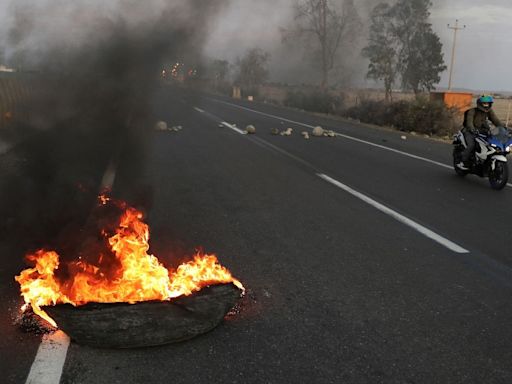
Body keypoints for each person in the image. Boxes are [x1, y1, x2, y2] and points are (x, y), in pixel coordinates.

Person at [457, 95, 504, 170]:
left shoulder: (489, 111)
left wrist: (504, 127)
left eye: (488, 103)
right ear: (480, 103)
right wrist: (472, 129)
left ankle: (484, 159)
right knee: (471, 145)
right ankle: (463, 162)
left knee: (490, 143)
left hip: (483, 131)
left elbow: (496, 120)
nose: (487, 105)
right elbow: (469, 122)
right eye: (485, 103)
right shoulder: (472, 111)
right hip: (470, 131)